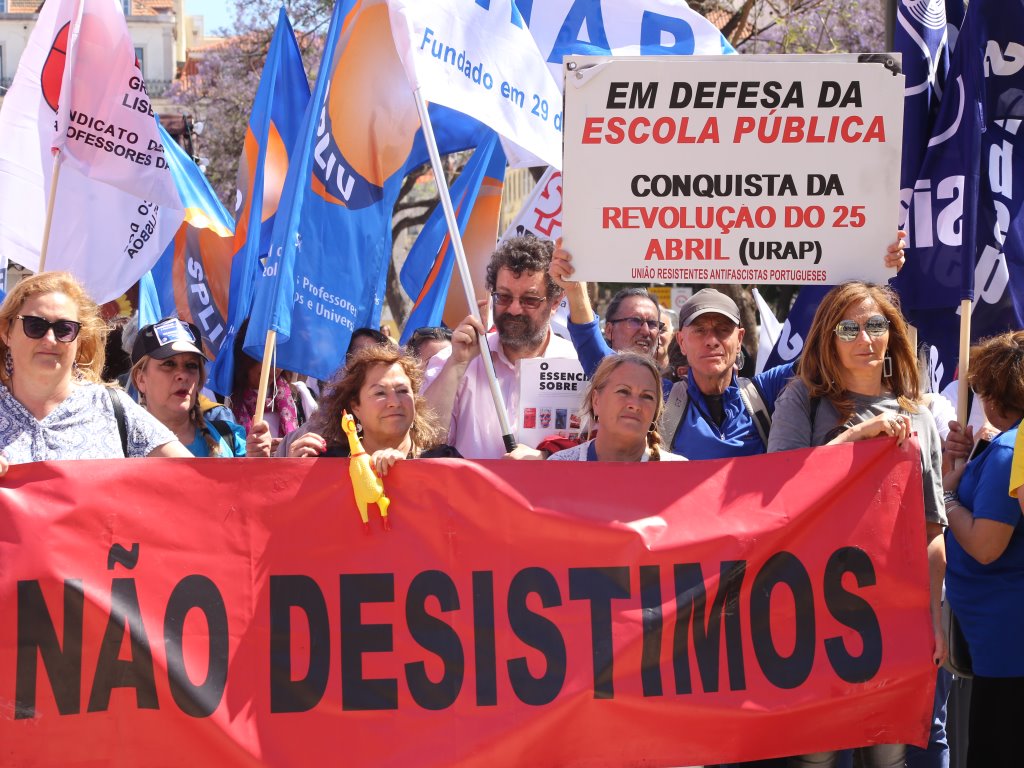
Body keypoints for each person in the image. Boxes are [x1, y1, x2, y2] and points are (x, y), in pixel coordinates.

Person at [766, 282, 947, 768]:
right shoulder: (802, 400)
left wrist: (934, 619)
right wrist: (856, 436)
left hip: (894, 614)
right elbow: (779, 493)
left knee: (889, 756)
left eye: (875, 325)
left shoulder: (918, 416)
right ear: (829, 336)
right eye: (849, 328)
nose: (864, 338)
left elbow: (931, 531)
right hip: (814, 607)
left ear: (892, 333)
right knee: (817, 757)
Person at [0, 271, 190, 478]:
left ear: (79, 339)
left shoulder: (111, 407)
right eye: (35, 325)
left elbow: (194, 478)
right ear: (6, 332)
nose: (50, 339)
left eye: (64, 329)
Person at [941, 331, 1024, 768]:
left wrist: (945, 496)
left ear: (995, 394)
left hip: (1008, 647)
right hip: (998, 642)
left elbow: (986, 545)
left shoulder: (1011, 452)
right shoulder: (1007, 446)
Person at [423, 235, 577, 459]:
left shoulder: (578, 364)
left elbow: (594, 451)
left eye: (529, 300)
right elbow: (425, 441)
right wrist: (456, 365)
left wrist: (547, 458)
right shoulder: (455, 359)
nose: (514, 309)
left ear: (554, 302)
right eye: (503, 297)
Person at [279, 345, 458, 470]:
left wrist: (407, 473)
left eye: (403, 391)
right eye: (380, 393)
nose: (394, 402)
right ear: (355, 406)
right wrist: (292, 472)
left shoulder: (445, 462)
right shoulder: (325, 464)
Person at [130, 318, 270, 458]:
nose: (183, 375)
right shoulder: (120, 445)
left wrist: (257, 461)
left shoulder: (229, 437)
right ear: (140, 378)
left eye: (191, 365)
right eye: (169, 364)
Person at [548, 353, 685, 462]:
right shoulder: (559, 466)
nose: (635, 405)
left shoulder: (678, 472)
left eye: (647, 396)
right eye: (623, 391)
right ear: (596, 400)